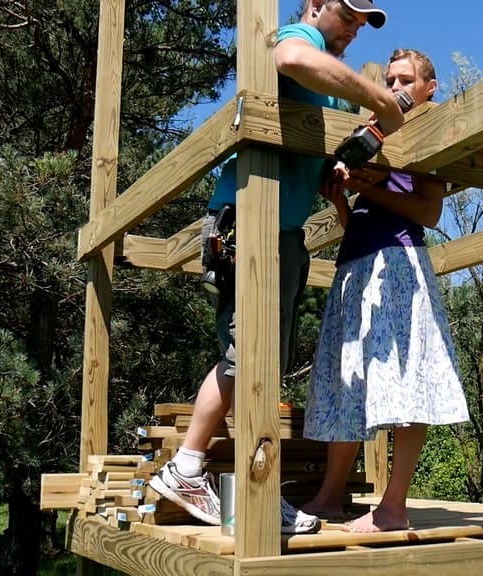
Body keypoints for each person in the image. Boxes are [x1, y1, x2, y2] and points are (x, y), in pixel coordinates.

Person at [149, 0, 405, 535]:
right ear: (315, 5)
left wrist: (336, 170)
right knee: (250, 353)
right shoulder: (297, 37)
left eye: (364, 23)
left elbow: (310, 155)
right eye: (350, 14)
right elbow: (288, 56)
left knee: (259, 358)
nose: (357, 27)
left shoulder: (329, 87)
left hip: (282, 228)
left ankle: (215, 477)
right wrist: (383, 98)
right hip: (251, 218)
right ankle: (198, 472)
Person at [301, 48, 470, 534]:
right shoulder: (372, 135)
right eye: (389, 80)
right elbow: (370, 213)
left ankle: (393, 508)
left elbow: (427, 213)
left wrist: (364, 185)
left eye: (405, 80)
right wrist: (343, 204)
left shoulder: (431, 130)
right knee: (347, 380)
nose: (395, 88)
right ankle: (331, 496)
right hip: (354, 264)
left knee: (405, 379)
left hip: (398, 265)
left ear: (428, 88)